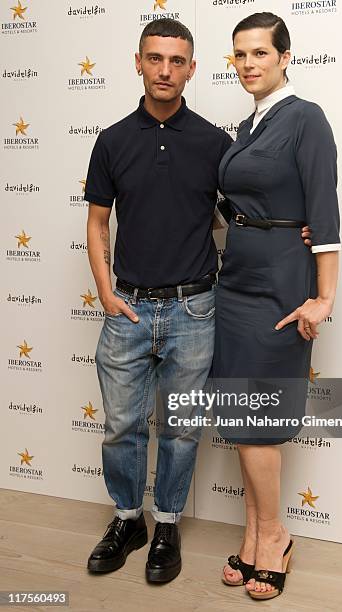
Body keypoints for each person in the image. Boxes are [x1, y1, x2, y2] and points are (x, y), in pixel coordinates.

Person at [84, 18, 233, 583]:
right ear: (139, 62)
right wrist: (104, 291)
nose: (165, 70)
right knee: (122, 425)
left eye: (177, 61)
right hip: (128, 308)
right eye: (155, 59)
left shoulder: (216, 143)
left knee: (180, 426)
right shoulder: (113, 140)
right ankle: (128, 519)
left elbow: (239, 215)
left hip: (195, 309)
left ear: (192, 68)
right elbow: (97, 224)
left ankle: (166, 522)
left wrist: (295, 232)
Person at [213, 12, 340, 600]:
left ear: (285, 57)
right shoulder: (246, 125)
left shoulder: (305, 119)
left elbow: (325, 210)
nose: (248, 64)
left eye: (260, 53)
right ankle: (253, 533)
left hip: (281, 282)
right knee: (241, 417)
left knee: (259, 421)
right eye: (239, 54)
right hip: (235, 280)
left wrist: (323, 295)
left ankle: (275, 538)